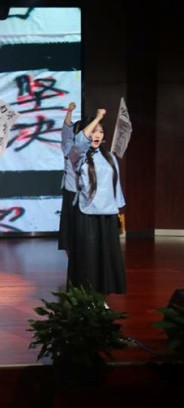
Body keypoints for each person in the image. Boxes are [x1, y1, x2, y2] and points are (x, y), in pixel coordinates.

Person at [68, 109, 126, 296]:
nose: (97, 135)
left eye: (100, 131)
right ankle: (85, 298)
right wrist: (99, 117)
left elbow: (115, 186)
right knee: (88, 258)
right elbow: (80, 141)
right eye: (93, 131)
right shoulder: (78, 155)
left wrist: (119, 210)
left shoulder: (110, 157)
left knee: (105, 257)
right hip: (87, 214)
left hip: (107, 214)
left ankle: (102, 297)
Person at [58, 102, 79, 256]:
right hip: (70, 190)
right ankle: (71, 253)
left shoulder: (89, 149)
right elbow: (66, 129)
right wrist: (70, 111)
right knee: (69, 225)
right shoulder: (69, 146)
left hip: (84, 193)